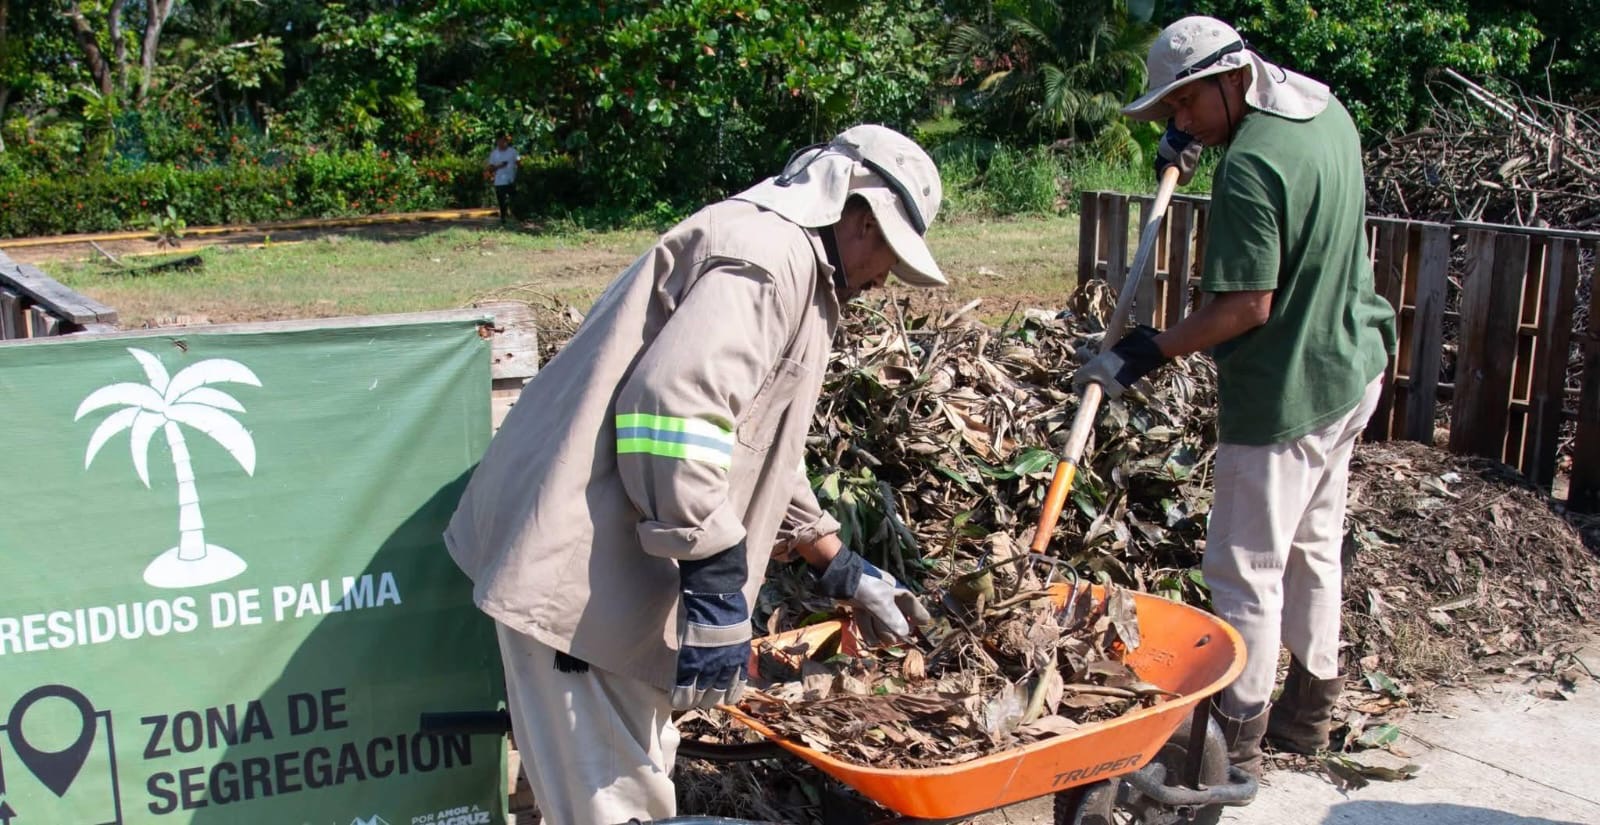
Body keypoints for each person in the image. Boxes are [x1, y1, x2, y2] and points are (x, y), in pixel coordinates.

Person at [444, 124, 942, 825]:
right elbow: (672, 411)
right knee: (618, 809)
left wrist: (835, 559)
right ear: (862, 219)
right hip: (580, 582)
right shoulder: (769, 263)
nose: (887, 277)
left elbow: (746, 439)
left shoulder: (788, 261)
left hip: (605, 570)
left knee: (633, 789)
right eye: (892, 252)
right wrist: (713, 576)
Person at [1075, 16, 1396, 775]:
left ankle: (1233, 741)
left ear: (1228, 80)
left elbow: (1246, 305)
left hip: (1286, 393)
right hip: (1354, 366)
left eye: (1186, 103)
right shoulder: (1325, 112)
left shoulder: (1250, 167)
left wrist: (1148, 350)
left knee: (1245, 567)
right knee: (1314, 545)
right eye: (1171, 111)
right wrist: (1193, 137)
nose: (1181, 121)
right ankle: (1309, 711)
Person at [487, 134, 520, 226]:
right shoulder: (494, 153)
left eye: (503, 141)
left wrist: (519, 176)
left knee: (514, 200)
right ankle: (503, 219)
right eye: (499, 141)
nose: (501, 143)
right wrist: (499, 166)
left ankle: (515, 218)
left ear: (507, 142)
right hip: (499, 182)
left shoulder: (513, 152)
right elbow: (490, 168)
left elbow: (519, 164)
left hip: (511, 180)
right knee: (502, 201)